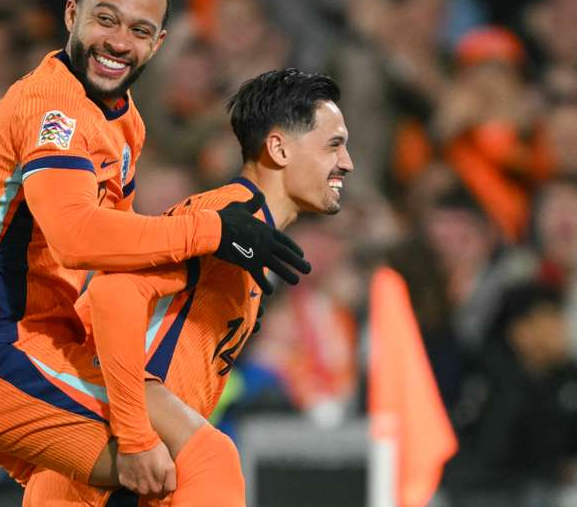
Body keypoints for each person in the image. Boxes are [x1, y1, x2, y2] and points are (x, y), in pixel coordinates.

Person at [0, 0, 311, 493]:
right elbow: (77, 236)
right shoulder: (52, 111)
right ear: (71, 15)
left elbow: (110, 262)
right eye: (105, 19)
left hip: (41, 345)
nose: (119, 42)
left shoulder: (124, 121)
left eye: (139, 30)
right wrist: (214, 231)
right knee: (199, 458)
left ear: (158, 42)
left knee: (76, 492)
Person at [23, 68, 354, 505]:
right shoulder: (223, 219)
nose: (347, 162)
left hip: (130, 479)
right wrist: (136, 433)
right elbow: (112, 294)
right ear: (279, 148)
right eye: (334, 145)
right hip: (102, 481)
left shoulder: (248, 239)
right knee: (217, 457)